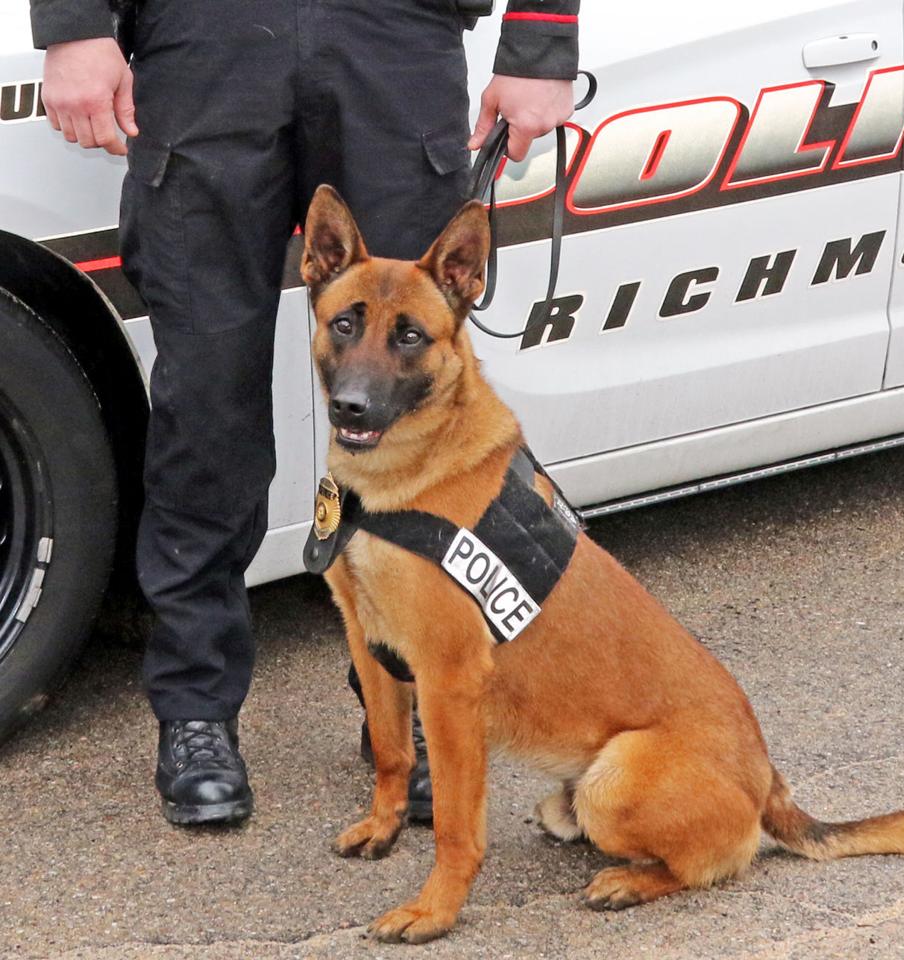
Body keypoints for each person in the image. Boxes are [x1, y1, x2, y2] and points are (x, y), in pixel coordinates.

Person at [30, 0, 579, 826]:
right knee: (207, 405)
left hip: (392, 34)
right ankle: (196, 711)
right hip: (204, 42)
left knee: (407, 406)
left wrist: (539, 40)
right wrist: (76, 25)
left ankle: (407, 701)